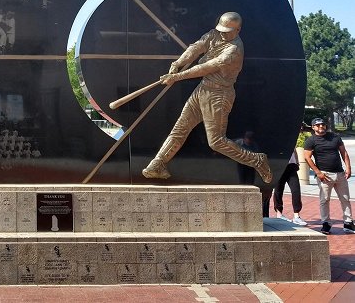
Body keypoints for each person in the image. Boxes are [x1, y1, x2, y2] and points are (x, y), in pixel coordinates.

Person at [141, 12, 272, 183]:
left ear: (238, 30)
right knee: (180, 129)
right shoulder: (214, 34)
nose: (222, 33)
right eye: (221, 29)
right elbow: (196, 47)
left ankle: (257, 160)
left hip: (219, 95)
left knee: (216, 141)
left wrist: (176, 77)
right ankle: (157, 164)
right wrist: (177, 64)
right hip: (203, 90)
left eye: (227, 31)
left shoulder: (234, 50)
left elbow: (206, 67)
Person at [304, 117, 353, 234]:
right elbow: (307, 158)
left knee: (345, 199)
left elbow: (343, 153)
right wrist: (318, 172)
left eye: (323, 125)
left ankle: (348, 223)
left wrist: (348, 168)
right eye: (318, 125)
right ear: (313, 127)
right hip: (324, 175)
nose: (321, 127)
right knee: (324, 200)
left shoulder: (335, 137)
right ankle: (326, 223)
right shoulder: (311, 141)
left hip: (340, 174)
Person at [272, 147, 306, 225]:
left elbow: (294, 149)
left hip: (291, 166)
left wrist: (297, 161)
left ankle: (296, 216)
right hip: (279, 166)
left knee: (296, 190)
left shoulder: (289, 137)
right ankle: (279, 213)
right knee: (278, 190)